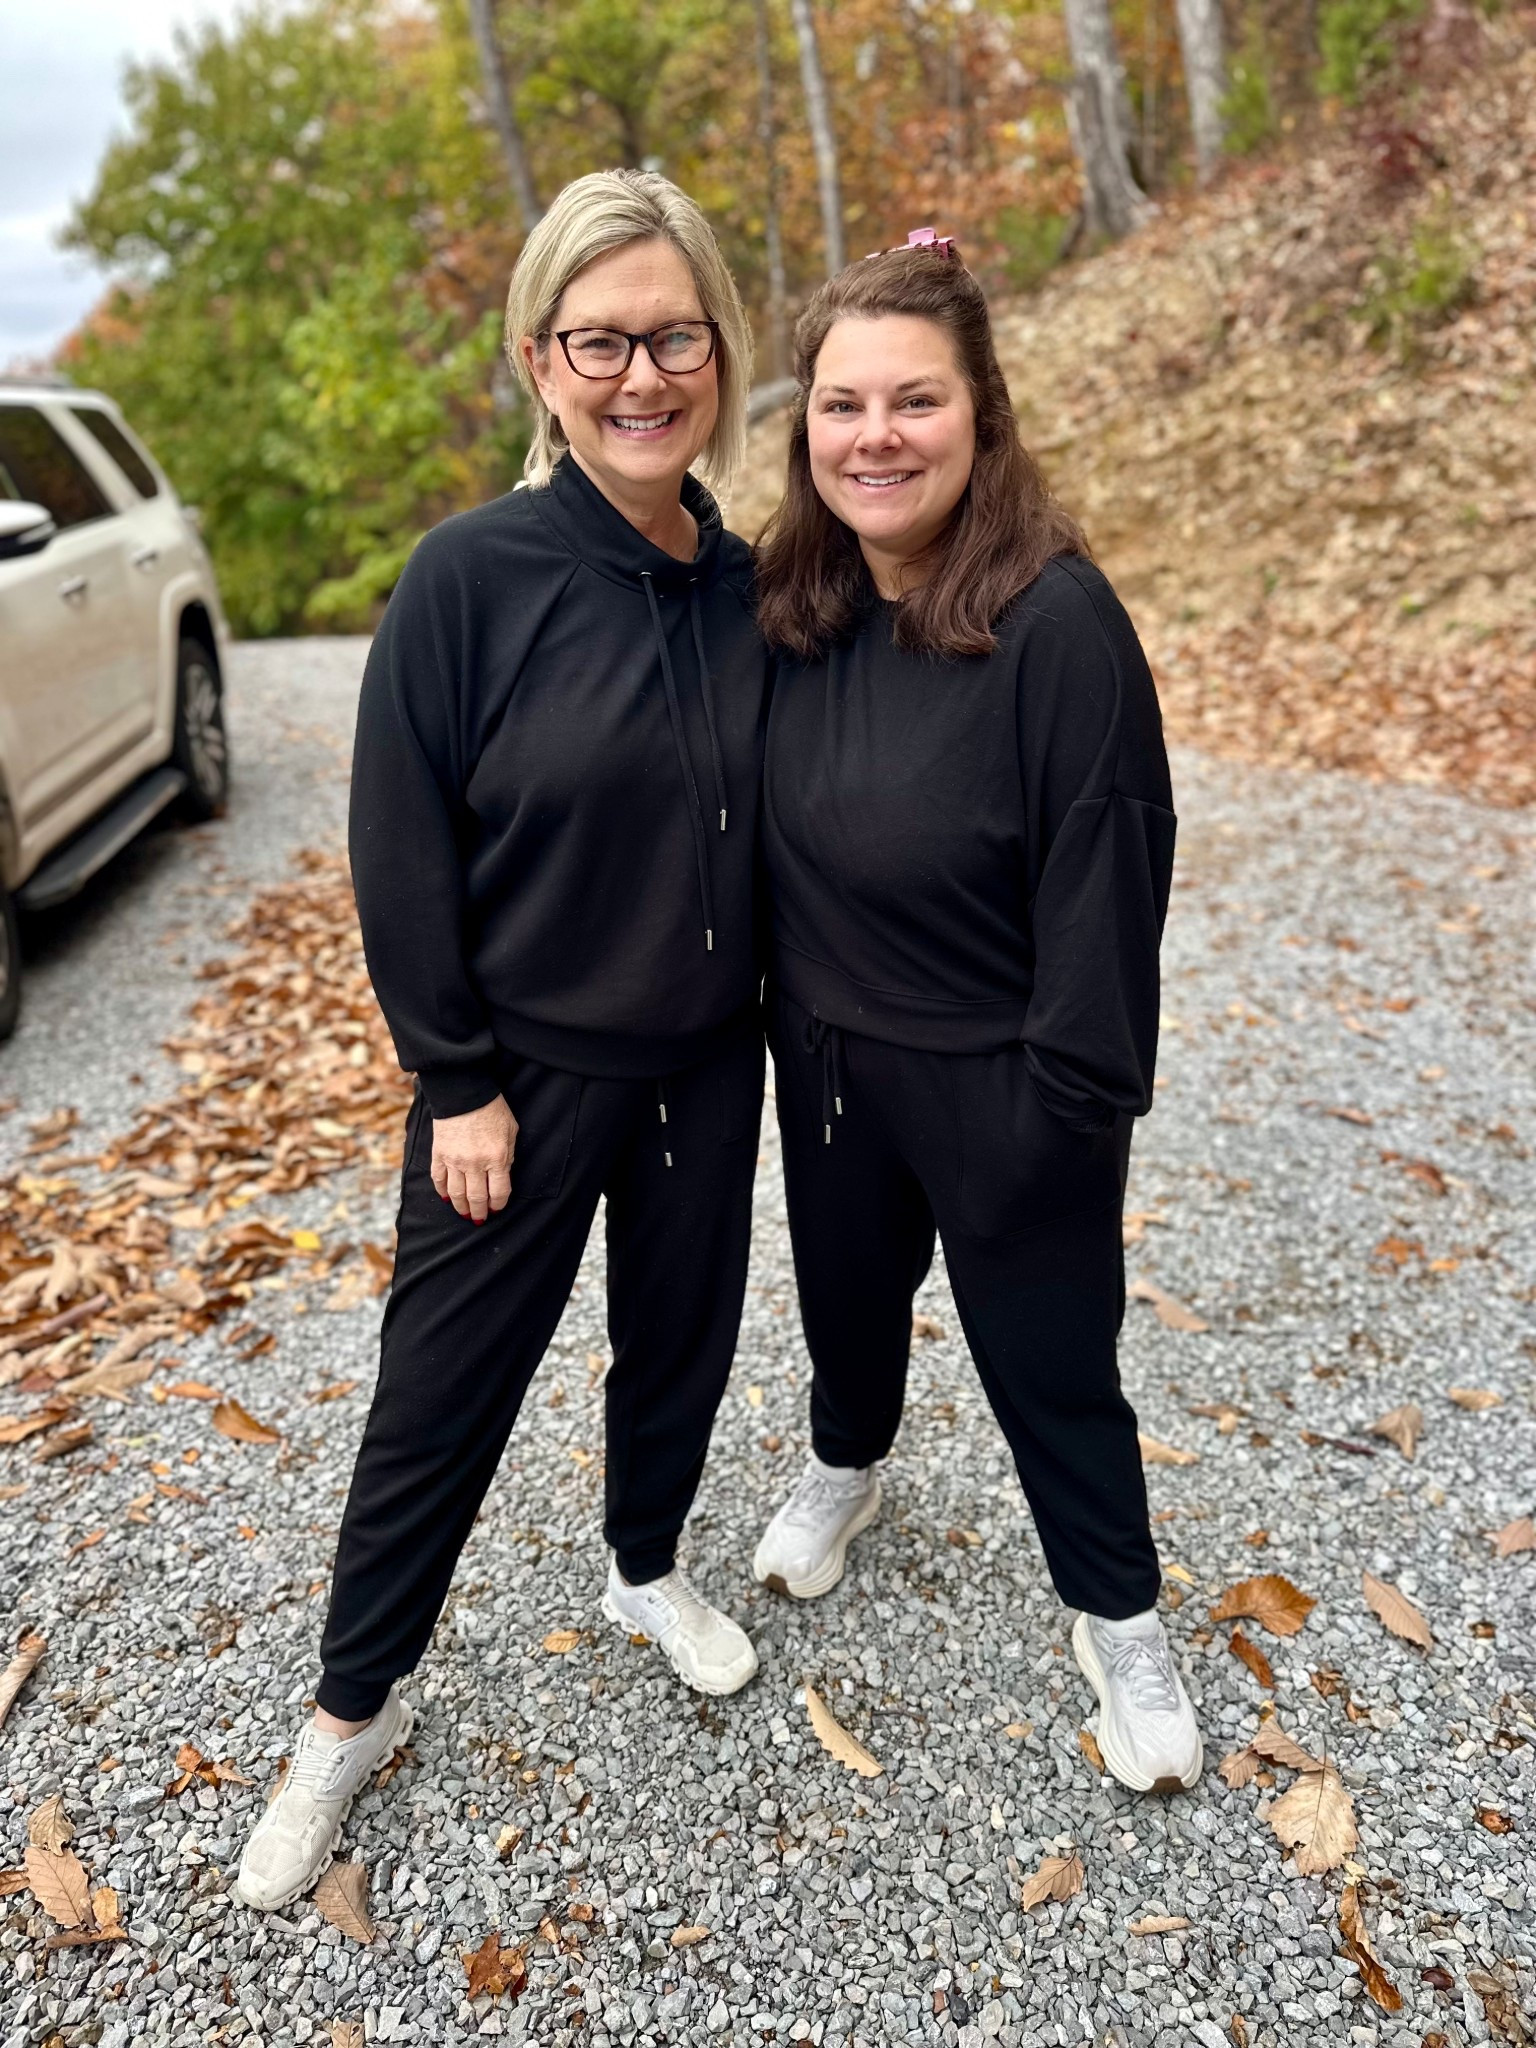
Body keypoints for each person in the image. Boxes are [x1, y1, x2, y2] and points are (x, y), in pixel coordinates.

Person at [237, 170, 770, 1912]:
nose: (641, 375)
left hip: (708, 1065)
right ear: (542, 361)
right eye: (599, 341)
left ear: (719, 351)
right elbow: (398, 842)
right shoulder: (470, 577)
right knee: (439, 1397)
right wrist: (453, 1077)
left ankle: (645, 1563)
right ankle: (349, 1710)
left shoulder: (753, 587)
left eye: (673, 336)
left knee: (680, 1341)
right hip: (516, 1087)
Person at [749, 235, 1202, 1794]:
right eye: (842, 404)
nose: (875, 435)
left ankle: (1118, 1614)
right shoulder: (795, 609)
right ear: (807, 425)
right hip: (830, 1061)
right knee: (845, 1305)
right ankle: (847, 1464)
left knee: (1053, 1357)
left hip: (1007, 1069)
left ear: (982, 413)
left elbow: (1110, 879)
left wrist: (1063, 1110)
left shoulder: (1057, 625)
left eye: (915, 400)